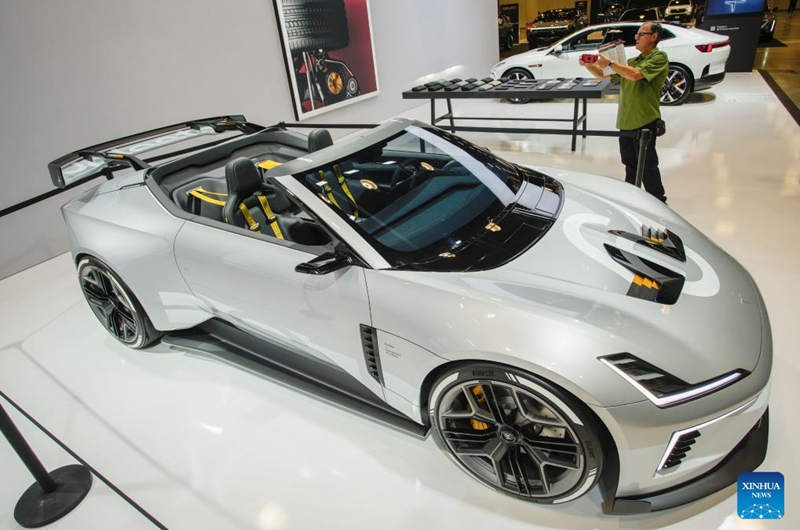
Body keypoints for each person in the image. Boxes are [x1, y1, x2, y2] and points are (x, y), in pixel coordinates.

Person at [580, 22, 669, 203]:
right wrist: (588, 65)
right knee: (630, 165)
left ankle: (659, 202)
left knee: (648, 166)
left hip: (644, 121)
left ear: (654, 37)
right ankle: (631, 199)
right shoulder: (632, 61)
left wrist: (611, 63)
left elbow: (635, 75)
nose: (636, 38)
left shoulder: (659, 58)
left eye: (641, 34)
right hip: (626, 122)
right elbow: (604, 75)